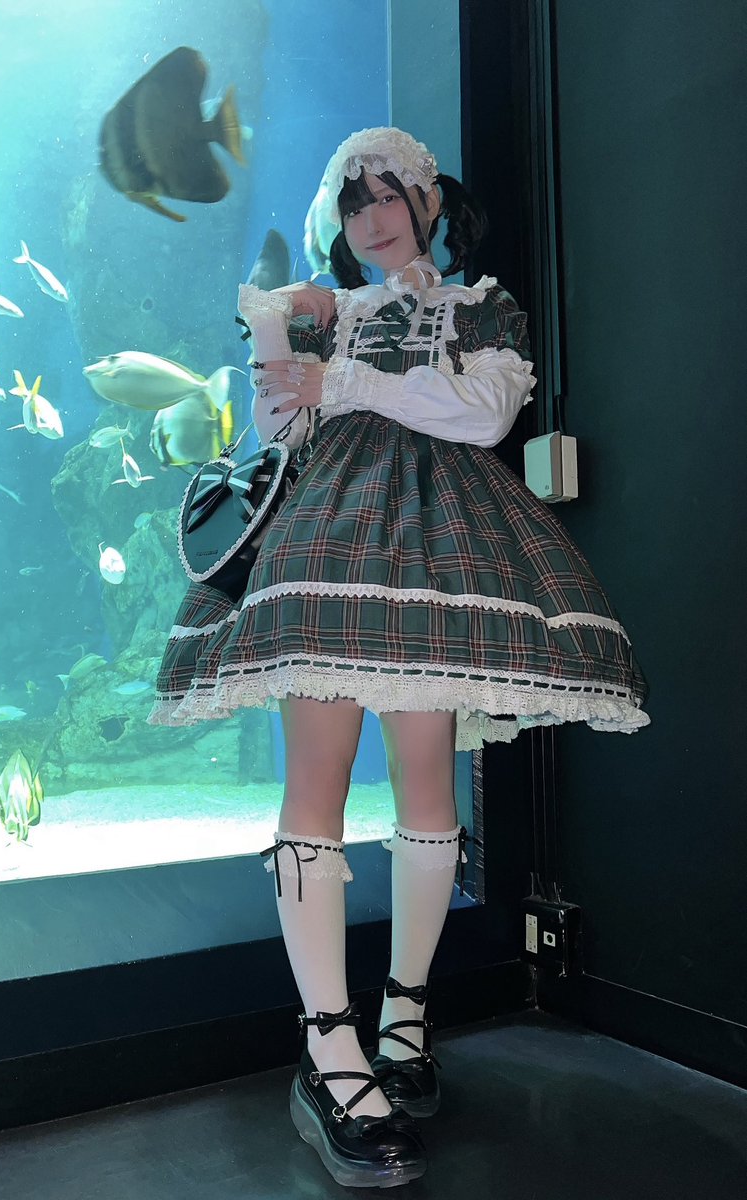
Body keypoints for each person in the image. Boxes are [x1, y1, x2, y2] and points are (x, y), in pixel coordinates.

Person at [148, 126, 649, 1188]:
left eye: (385, 196)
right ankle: (330, 1051)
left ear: (426, 202)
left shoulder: (477, 307)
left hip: (439, 545)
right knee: (316, 782)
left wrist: (343, 379)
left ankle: (404, 1021)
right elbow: (278, 428)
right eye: (351, 203)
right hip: (328, 539)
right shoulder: (326, 311)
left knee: (427, 781)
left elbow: (483, 414)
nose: (369, 219)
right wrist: (280, 342)